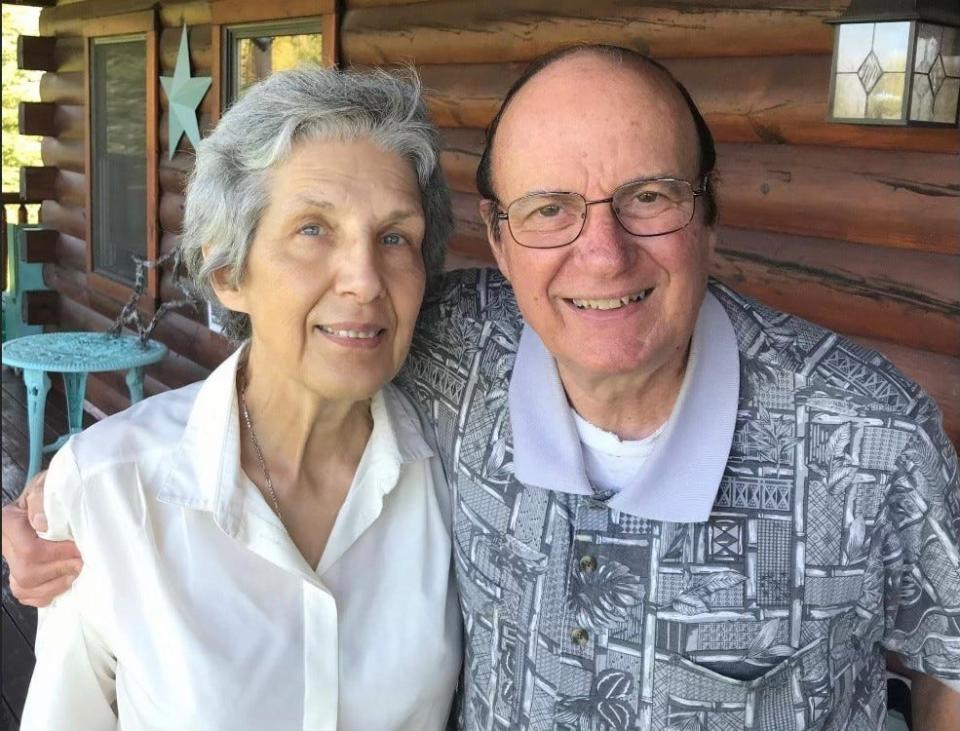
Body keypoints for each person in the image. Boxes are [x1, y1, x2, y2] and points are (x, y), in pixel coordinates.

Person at [6, 45, 959, 731]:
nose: (601, 249)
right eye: (549, 208)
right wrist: (67, 492)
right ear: (500, 245)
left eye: (650, 195)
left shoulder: (869, 432)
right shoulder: (117, 492)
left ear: (708, 213)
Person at [10, 66, 461, 730]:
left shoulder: (454, 477)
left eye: (396, 237)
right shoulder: (113, 491)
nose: (366, 279)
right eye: (314, 229)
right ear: (228, 275)